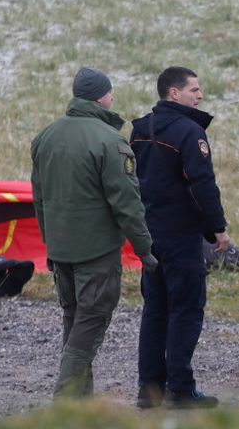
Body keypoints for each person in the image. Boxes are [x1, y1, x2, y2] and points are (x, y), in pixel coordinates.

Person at [30, 67, 157, 399]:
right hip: (96, 250)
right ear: (102, 97)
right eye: (110, 92)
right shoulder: (110, 141)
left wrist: (49, 241)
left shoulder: (45, 137)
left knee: (74, 320)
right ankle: (66, 398)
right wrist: (144, 248)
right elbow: (126, 202)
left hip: (61, 248)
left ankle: (79, 403)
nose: (112, 97)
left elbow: (39, 199)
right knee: (91, 320)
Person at [130, 66, 229, 409]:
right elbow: (202, 184)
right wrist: (217, 228)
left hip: (149, 233)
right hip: (181, 235)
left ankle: (149, 390)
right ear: (174, 93)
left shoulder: (140, 129)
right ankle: (181, 390)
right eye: (194, 90)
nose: (200, 95)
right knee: (186, 310)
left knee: (155, 310)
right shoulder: (190, 132)